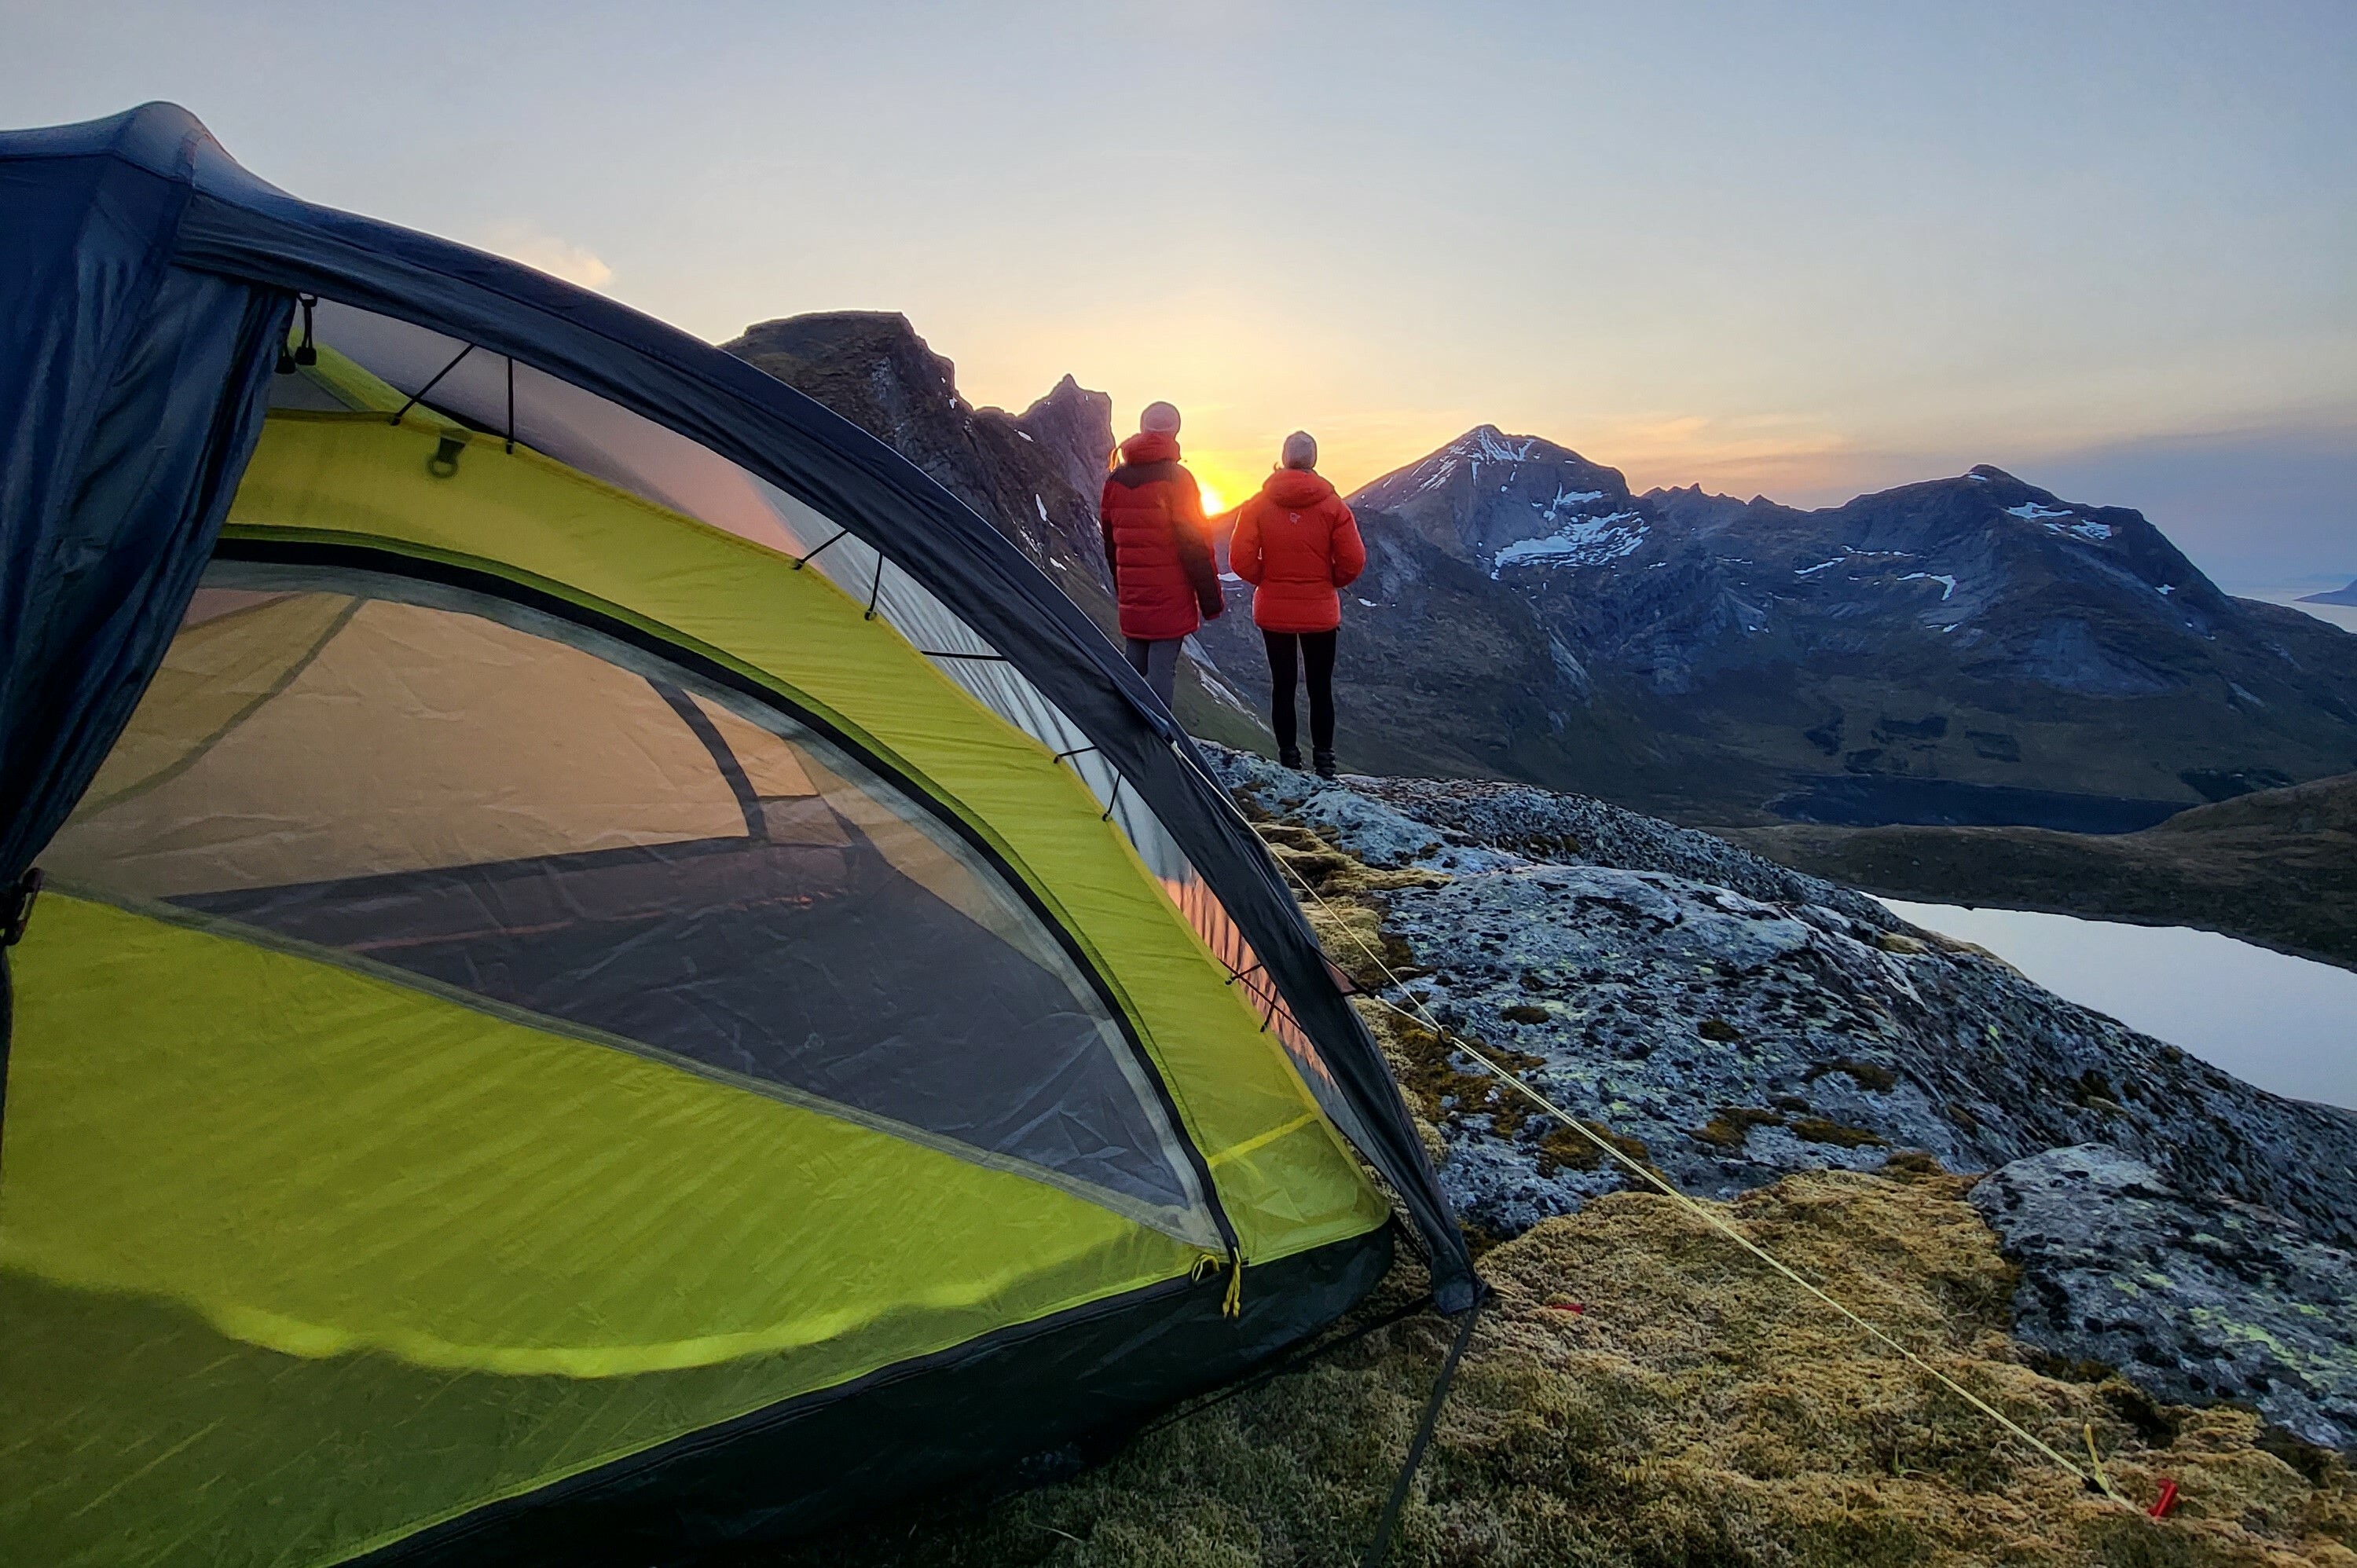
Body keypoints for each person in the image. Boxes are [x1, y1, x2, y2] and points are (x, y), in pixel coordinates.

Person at [1230, 430, 1365, 778]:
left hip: (1274, 610)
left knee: (1283, 685)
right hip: (1320, 610)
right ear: (1314, 461)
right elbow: (1353, 560)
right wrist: (1328, 581)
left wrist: (1267, 579)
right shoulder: (1333, 506)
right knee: (1321, 688)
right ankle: (1324, 761)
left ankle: (1288, 759)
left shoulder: (1258, 505)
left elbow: (1239, 558)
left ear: (1284, 458)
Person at [1098, 400, 1221, 710]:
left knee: (1135, 662)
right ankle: (1159, 737)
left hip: (1133, 592)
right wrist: (1210, 600)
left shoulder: (1115, 481)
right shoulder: (1178, 480)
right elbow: (1195, 544)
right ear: (1174, 431)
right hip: (1171, 595)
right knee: (1162, 668)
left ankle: (1121, 727)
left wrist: (1123, 585)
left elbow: (1110, 543)